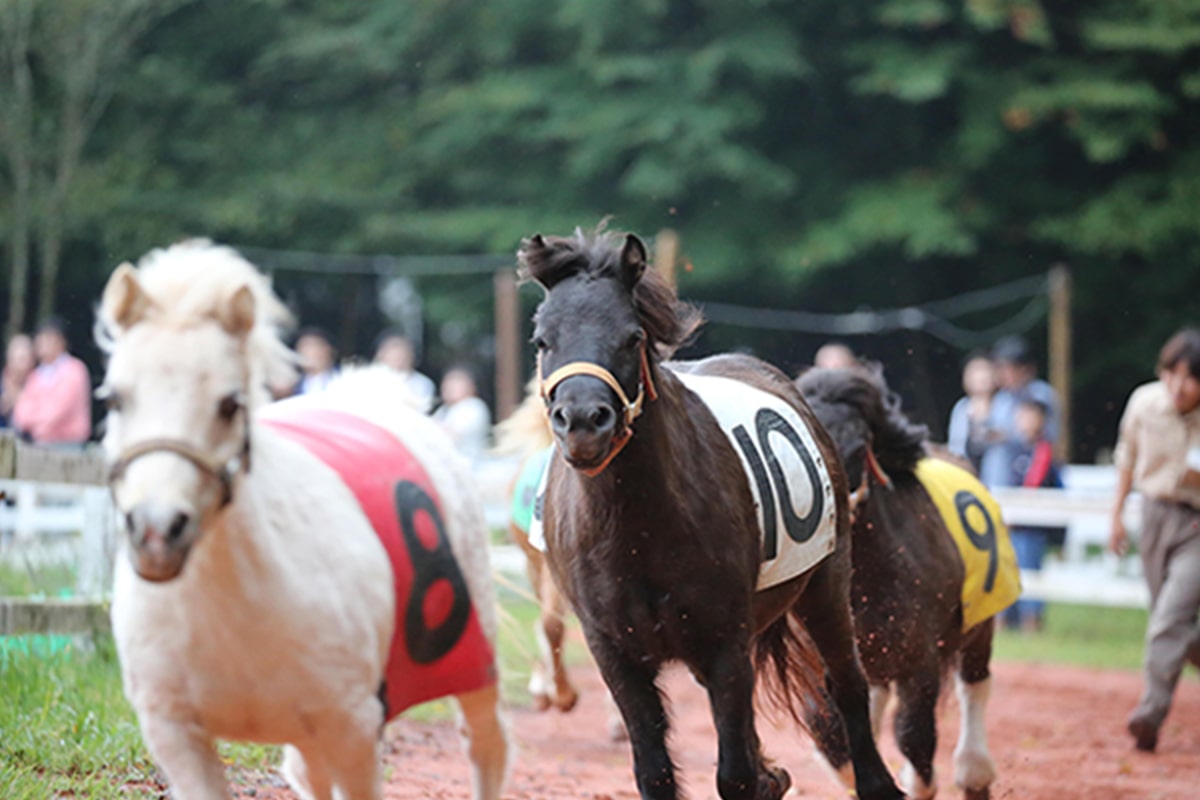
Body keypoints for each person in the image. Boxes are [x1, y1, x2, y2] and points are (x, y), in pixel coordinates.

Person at [1109, 327, 1200, 753]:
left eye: (1191, 378)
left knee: (1168, 619)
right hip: (1154, 515)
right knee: (1176, 625)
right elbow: (1126, 457)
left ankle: (1149, 715)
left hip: (1197, 526)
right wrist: (1117, 516)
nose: (1179, 387)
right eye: (1172, 375)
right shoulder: (1145, 403)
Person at [1001, 398, 1063, 632]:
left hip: (1032, 524)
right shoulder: (1012, 449)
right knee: (1007, 572)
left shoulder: (1044, 450)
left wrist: (1017, 509)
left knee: (1030, 571)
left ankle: (1032, 623)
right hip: (1012, 523)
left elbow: (1034, 484)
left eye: (1030, 416)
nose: (1025, 422)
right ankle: (1006, 621)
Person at [978, 335, 1060, 489]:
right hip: (997, 478)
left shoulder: (1040, 395)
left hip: (1032, 481)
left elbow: (1041, 436)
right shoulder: (1001, 399)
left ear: (1025, 369)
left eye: (1006, 368)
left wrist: (1007, 435)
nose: (1001, 374)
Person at [11, 318, 91, 445]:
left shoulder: (74, 370)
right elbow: (21, 411)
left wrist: (37, 424)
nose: (41, 344)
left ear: (60, 342)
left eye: (46, 339)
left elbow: (59, 409)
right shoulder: (35, 375)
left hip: (68, 446)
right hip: (38, 443)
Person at [946, 351, 998, 473]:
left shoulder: (1004, 405)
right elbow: (955, 446)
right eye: (974, 372)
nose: (980, 377)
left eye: (984, 371)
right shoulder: (961, 408)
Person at [434, 367, 491, 462]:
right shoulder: (443, 409)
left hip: (470, 466)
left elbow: (452, 435)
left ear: (471, 387)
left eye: (456, 384)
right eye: (447, 385)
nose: (450, 389)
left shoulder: (474, 406)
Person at [373, 330, 436, 410]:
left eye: (400, 354)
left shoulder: (423, 384)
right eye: (392, 354)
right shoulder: (370, 379)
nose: (397, 359)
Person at [1, 333, 35, 428]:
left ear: (32, 361)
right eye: (17, 359)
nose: (19, 366)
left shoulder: (38, 386)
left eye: (24, 359)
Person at [293, 328, 338, 395]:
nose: (310, 353)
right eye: (304, 347)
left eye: (315, 346)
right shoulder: (292, 385)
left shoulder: (345, 379)